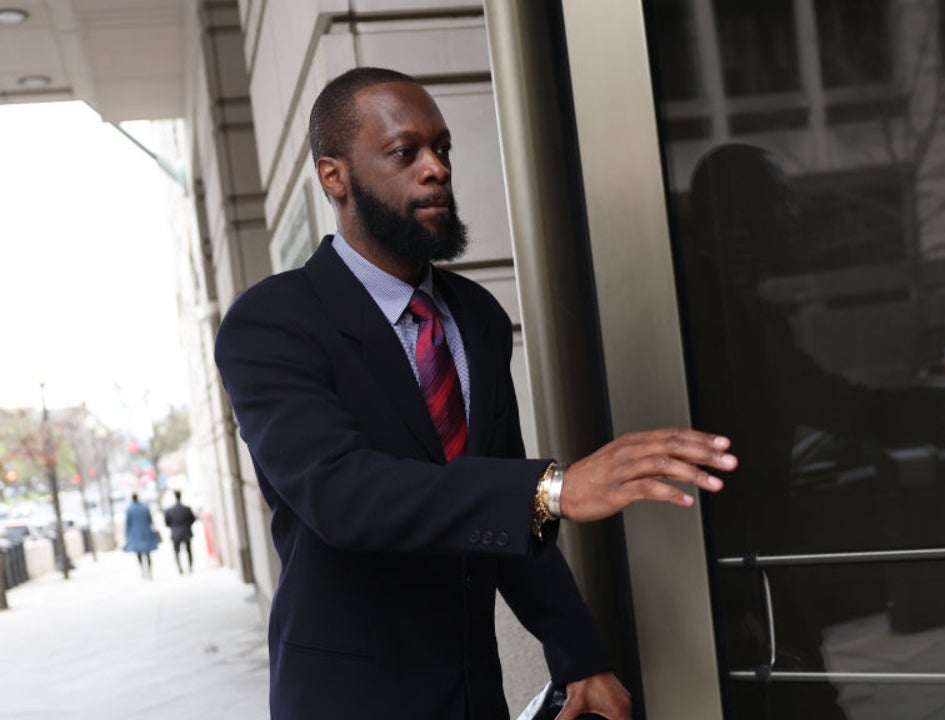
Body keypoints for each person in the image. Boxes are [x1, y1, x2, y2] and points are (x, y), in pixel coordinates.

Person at [214, 67, 735, 720]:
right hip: (348, 699)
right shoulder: (272, 322)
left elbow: (505, 505)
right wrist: (553, 488)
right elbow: (341, 494)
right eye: (405, 152)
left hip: (473, 693)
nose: (435, 168)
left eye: (442, 148)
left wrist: (578, 656)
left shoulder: (477, 316)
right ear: (334, 176)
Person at [122, 493, 158, 579]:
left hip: (135, 534)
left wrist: (126, 535)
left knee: (138, 553)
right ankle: (149, 570)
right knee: (147, 553)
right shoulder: (145, 507)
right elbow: (150, 520)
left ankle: (142, 569)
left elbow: (127, 524)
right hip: (146, 532)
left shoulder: (129, 509)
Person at [163, 490, 197, 574]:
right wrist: (187, 525)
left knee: (176, 552)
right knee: (189, 550)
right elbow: (193, 519)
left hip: (175, 533)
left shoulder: (169, 510)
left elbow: (167, 523)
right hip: (186, 532)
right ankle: (190, 567)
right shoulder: (187, 509)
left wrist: (174, 527)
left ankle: (180, 568)